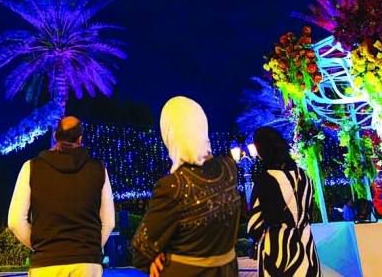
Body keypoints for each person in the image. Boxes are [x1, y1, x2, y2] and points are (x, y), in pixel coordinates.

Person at [131, 96, 241, 277]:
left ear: (170, 134)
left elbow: (141, 249)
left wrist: (154, 257)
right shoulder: (229, 169)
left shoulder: (172, 186)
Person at [8, 116, 115, 277]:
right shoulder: (98, 169)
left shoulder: (31, 168)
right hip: (87, 262)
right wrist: (90, 247)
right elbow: (109, 222)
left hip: (46, 262)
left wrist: (41, 246)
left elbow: (15, 221)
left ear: (55, 136)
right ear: (80, 139)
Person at [247, 127, 321, 277]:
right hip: (307, 247)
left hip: (278, 252)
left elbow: (254, 225)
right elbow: (309, 211)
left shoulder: (265, 179)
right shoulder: (304, 176)